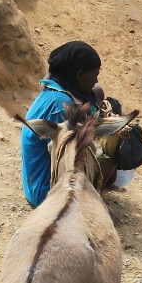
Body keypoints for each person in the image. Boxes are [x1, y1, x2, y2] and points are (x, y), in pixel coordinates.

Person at [21, 41, 116, 207]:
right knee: (113, 149)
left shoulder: (56, 88)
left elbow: (95, 91)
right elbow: (75, 155)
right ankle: (95, 202)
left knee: (98, 93)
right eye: (94, 74)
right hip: (46, 191)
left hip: (39, 183)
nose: (96, 79)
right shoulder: (61, 105)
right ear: (79, 75)